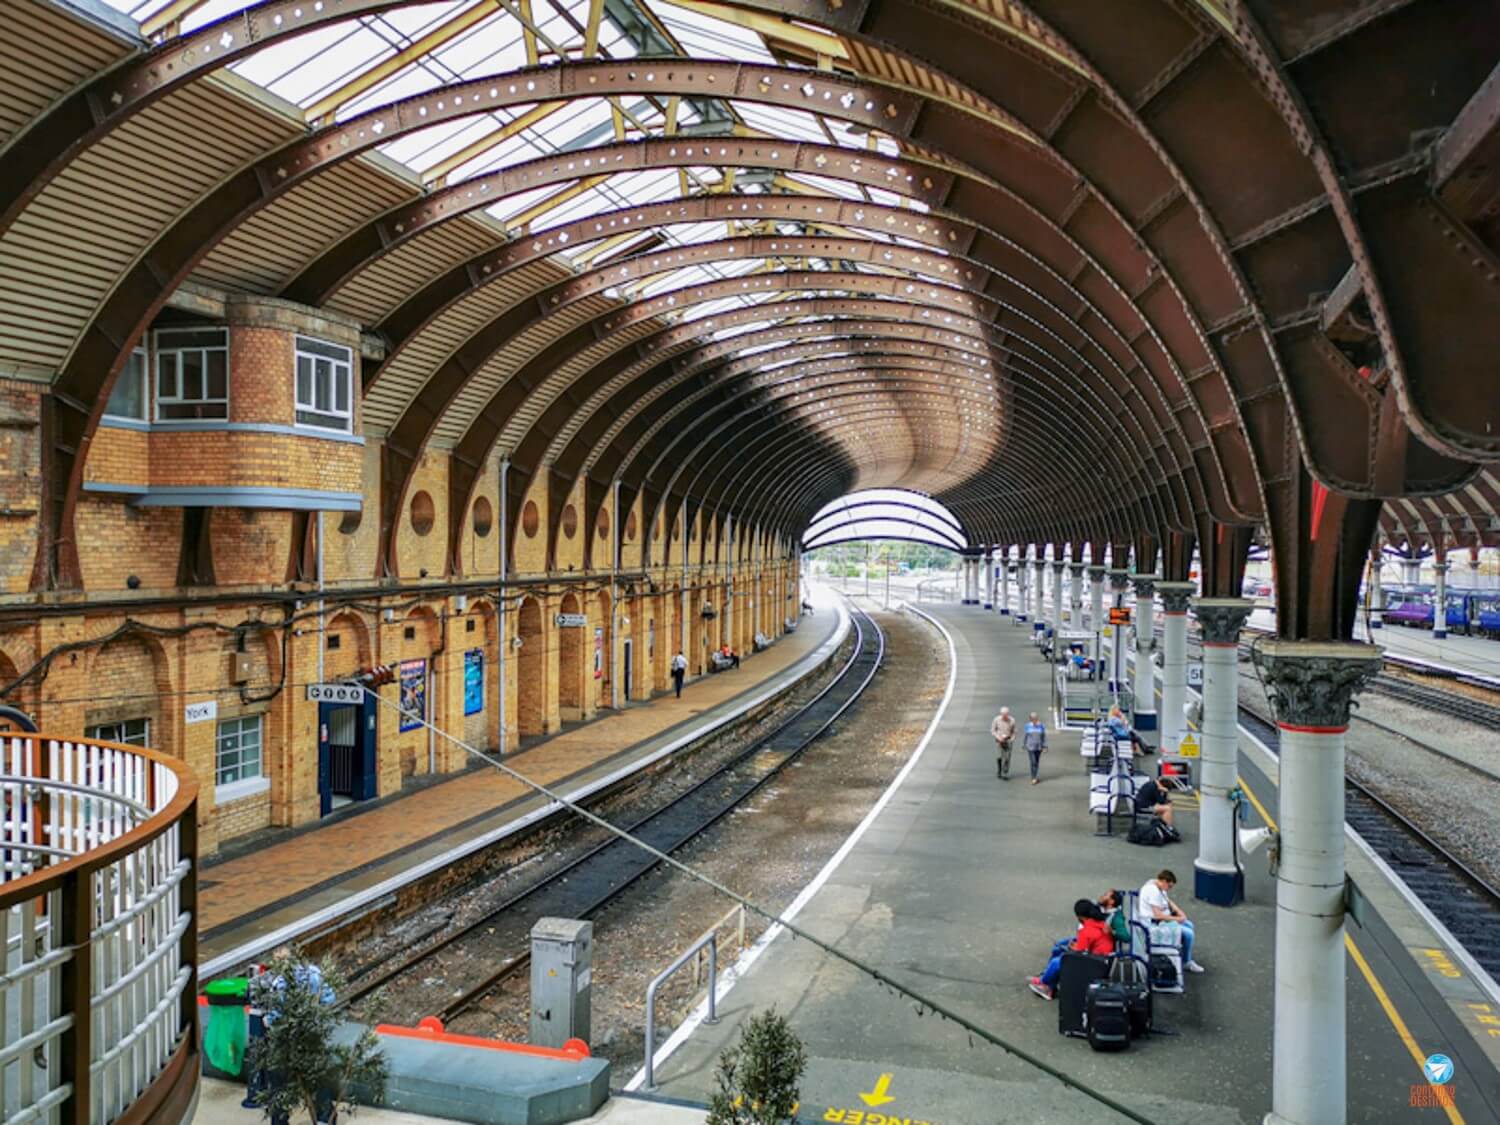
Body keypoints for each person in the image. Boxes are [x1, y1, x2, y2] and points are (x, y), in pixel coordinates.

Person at [1027, 899, 1115, 999]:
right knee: (1060, 947)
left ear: (1080, 916)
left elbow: (1079, 954)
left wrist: (1072, 948)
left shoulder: (1087, 930)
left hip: (1096, 964)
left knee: (1058, 961)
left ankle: (1045, 983)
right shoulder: (1099, 923)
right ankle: (1047, 978)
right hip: (1101, 959)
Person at [1136, 869, 1203, 973]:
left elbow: (1168, 901)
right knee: (1189, 934)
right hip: (1154, 924)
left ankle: (1186, 954)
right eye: (1169, 886)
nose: (1169, 889)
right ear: (1164, 881)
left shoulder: (1157, 885)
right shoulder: (1153, 891)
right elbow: (1158, 915)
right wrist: (1178, 918)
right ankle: (1186, 962)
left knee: (1189, 925)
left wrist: (1178, 911)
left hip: (1160, 920)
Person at [991, 706, 1016, 779]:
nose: (1005, 716)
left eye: (1006, 715)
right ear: (1001, 714)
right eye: (1003, 715)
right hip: (999, 740)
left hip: (1008, 739)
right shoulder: (996, 719)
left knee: (1007, 757)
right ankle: (999, 770)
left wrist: (1012, 738)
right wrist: (998, 737)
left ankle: (1005, 771)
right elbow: (993, 730)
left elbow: (1014, 731)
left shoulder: (1012, 720)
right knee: (999, 756)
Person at [1022, 712, 1047, 784]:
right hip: (1030, 747)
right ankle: (1033, 777)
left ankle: (1035, 775)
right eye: (1033, 718)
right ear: (1030, 719)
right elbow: (1025, 736)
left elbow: (1043, 736)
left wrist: (1045, 746)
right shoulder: (1027, 726)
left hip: (1039, 747)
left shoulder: (1041, 725)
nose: (1034, 720)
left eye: (1035, 718)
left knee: (1036, 762)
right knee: (1033, 762)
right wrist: (1024, 744)